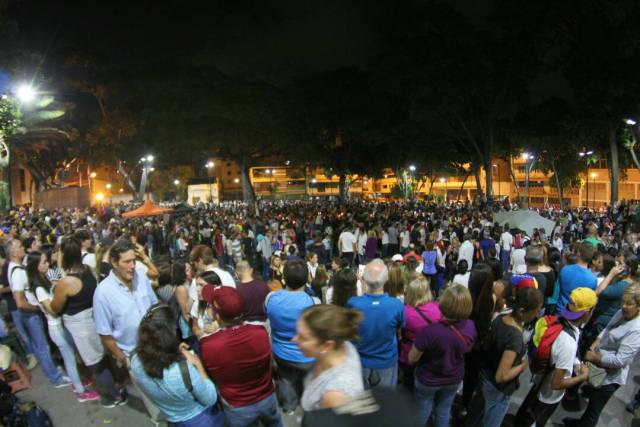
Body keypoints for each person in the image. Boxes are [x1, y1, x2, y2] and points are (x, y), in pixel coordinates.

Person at [200, 287, 283, 427]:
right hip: (267, 396)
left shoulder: (208, 344)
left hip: (236, 406)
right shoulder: (260, 332)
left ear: (218, 316)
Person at [514, 287, 597, 427]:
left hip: (539, 384)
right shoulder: (568, 343)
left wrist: (576, 363)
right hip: (547, 396)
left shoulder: (560, 321)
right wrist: (582, 377)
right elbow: (556, 383)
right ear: (588, 312)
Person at [130, 304, 224, 427]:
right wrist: (198, 363)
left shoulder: (135, 361)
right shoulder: (182, 370)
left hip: (173, 419)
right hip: (200, 419)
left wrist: (174, 350)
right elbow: (210, 398)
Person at [25, 250, 100, 402]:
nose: (47, 264)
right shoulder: (39, 288)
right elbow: (52, 310)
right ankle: (80, 392)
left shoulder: (45, 279)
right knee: (69, 359)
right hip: (57, 327)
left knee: (73, 356)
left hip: (63, 325)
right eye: (44, 262)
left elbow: (59, 275)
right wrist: (62, 296)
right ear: (35, 266)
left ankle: (79, 380)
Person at [563, 283, 640, 427]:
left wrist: (595, 358)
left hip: (610, 377)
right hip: (599, 363)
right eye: (623, 301)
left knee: (594, 409)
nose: (623, 306)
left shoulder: (636, 330)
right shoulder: (622, 313)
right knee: (592, 402)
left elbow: (621, 360)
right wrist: (594, 344)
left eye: (629, 303)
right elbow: (608, 328)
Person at [466, 287, 543, 427]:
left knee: (475, 415)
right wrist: (522, 366)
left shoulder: (500, 318)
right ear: (522, 311)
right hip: (498, 389)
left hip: (485, 376)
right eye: (535, 311)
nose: (536, 315)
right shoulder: (515, 337)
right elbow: (501, 376)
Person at [409, 285, 477, 427]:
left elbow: (412, 358)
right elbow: (467, 349)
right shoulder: (470, 326)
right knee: (444, 411)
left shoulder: (430, 332)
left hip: (428, 379)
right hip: (454, 378)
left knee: (423, 409)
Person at [5, 238, 69, 387]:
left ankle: (52, 370)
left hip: (29, 315)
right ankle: (55, 378)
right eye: (20, 246)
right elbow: (20, 302)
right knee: (42, 347)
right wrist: (39, 308)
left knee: (41, 346)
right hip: (30, 315)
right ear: (13, 252)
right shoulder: (17, 273)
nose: (23, 248)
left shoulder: (15, 268)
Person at [266, 259, 317, 414]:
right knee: (309, 380)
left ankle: (289, 407)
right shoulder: (310, 301)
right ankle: (309, 405)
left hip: (281, 352)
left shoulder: (272, 299)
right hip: (306, 355)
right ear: (305, 278)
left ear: (284, 278)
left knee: (286, 380)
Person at [293, 304, 364, 411]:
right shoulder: (341, 345)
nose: (294, 340)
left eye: (302, 337)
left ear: (327, 345)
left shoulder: (335, 396)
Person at [347, 259, 405, 388]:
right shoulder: (396, 305)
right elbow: (401, 327)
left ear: (363, 279)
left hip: (360, 361)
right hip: (386, 361)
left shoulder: (353, 303)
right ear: (386, 279)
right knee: (386, 401)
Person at [399, 276, 442, 391]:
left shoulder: (405, 312)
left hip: (409, 355)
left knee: (408, 386)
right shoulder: (438, 308)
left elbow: (399, 332)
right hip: (431, 356)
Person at [556, 242, 598, 313]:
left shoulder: (565, 269)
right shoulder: (593, 279)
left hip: (560, 310)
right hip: (576, 314)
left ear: (578, 253)